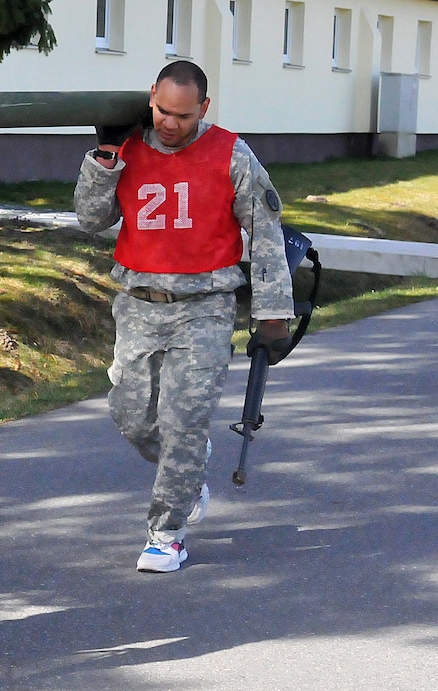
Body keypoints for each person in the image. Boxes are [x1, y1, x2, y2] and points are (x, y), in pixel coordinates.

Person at [72, 60, 294, 573]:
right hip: (137, 303)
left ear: (204, 109)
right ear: (151, 97)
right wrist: (104, 159)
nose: (170, 124)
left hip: (205, 307)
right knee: (130, 415)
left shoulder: (232, 154)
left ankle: (166, 533)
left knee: (183, 422)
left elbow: (264, 233)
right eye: (162, 111)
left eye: (183, 115)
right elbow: (89, 219)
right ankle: (188, 469)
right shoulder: (124, 148)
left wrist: (273, 313)